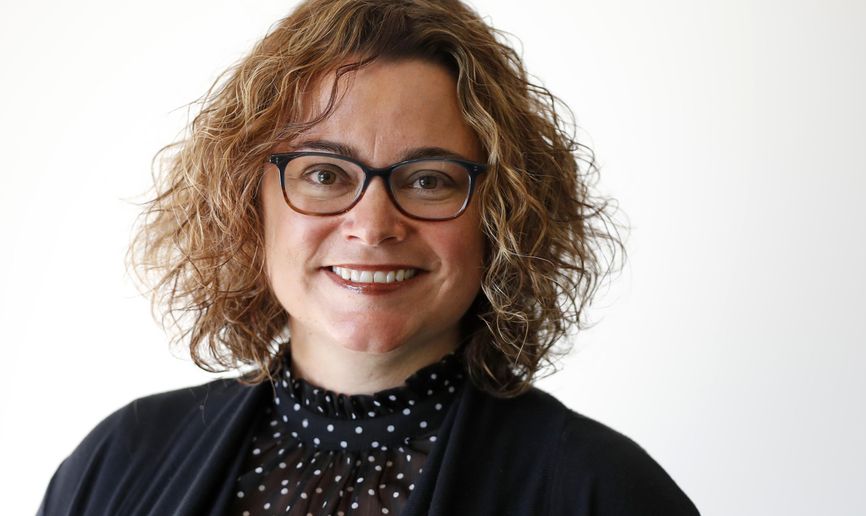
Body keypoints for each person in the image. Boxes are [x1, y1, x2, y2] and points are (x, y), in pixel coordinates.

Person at [38, 0, 699, 514]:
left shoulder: (600, 491)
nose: (373, 225)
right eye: (325, 174)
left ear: (501, 215)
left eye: (429, 178)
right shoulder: (121, 458)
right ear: (249, 201)